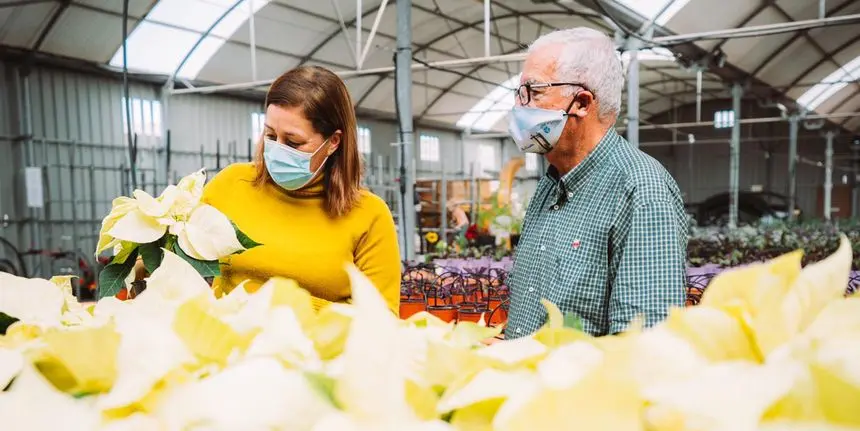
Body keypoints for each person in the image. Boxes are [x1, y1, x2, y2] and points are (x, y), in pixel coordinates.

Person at [503, 28, 687, 339]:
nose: (520, 107)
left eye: (533, 92)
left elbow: (641, 344)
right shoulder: (552, 182)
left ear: (583, 102)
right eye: (519, 94)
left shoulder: (641, 190)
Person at [202, 65, 401, 312]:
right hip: (226, 345)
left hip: (316, 350)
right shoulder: (231, 184)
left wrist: (283, 306)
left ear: (333, 142)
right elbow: (172, 251)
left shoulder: (369, 216)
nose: (277, 150)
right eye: (271, 136)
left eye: (293, 142)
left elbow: (381, 319)